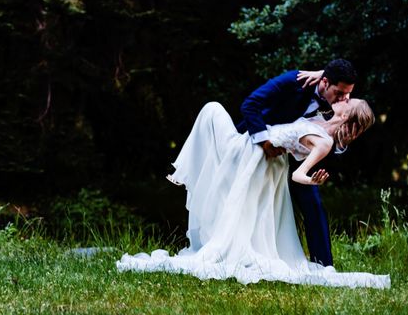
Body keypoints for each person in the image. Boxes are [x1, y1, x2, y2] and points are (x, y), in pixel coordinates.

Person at [116, 98, 390, 289]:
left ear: (345, 116)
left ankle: (184, 173)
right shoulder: (318, 119)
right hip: (261, 158)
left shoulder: (324, 142)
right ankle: (190, 177)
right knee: (245, 211)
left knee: (211, 110)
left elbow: (298, 175)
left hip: (262, 162)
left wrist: (312, 178)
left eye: (347, 102)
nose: (343, 99)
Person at [236, 59, 359, 267]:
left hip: (298, 158)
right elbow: (250, 105)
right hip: (261, 148)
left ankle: (324, 267)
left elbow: (336, 138)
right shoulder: (294, 81)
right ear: (325, 83)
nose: (344, 99)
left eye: (347, 94)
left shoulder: (339, 99)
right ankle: (242, 255)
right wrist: (265, 142)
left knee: (314, 206)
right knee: (249, 203)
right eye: (339, 93)